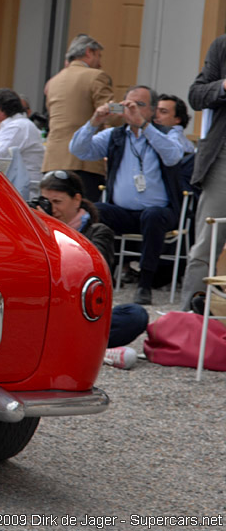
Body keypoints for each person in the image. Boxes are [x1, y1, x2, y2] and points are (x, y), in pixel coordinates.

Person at [69, 85, 185, 304]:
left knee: (152, 215)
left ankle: (145, 284)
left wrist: (143, 126)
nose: (133, 110)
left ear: (152, 110)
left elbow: (173, 157)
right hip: (123, 211)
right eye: (128, 105)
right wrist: (94, 121)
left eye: (140, 105)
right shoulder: (115, 135)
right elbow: (78, 150)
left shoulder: (166, 134)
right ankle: (99, 277)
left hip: (158, 213)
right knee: (97, 210)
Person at [37, 170, 148, 359]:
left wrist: (53, 229)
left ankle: (63, 342)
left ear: (77, 199)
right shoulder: (37, 228)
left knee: (135, 315)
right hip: (45, 311)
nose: (51, 209)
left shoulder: (97, 231)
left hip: (79, 312)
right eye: (46, 202)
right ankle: (81, 345)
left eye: (57, 202)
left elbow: (93, 271)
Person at [180, 33, 226, 311]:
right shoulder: (222, 46)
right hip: (223, 156)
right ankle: (189, 324)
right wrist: (223, 86)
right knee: (206, 246)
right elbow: (196, 95)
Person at [42, 34, 115, 202]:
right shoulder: (96, 76)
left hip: (53, 159)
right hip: (83, 163)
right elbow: (110, 112)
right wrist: (129, 110)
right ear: (89, 52)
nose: (100, 62)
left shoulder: (53, 81)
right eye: (99, 56)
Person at [0, 88, 44, 194]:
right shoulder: (3, 125)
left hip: (24, 191)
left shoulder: (18, 126)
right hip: (14, 186)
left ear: (1, 111)